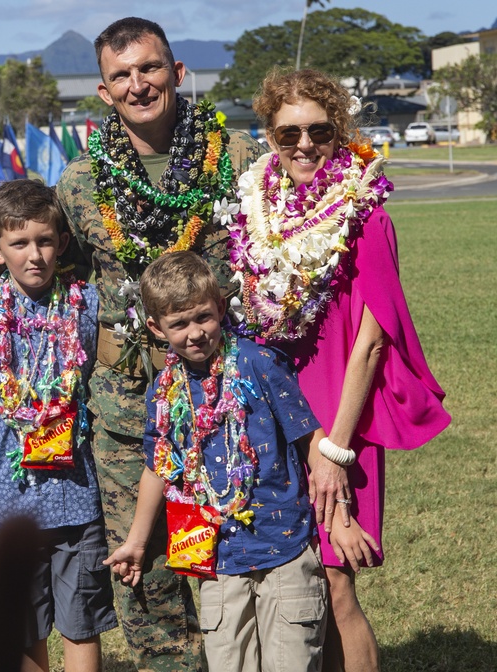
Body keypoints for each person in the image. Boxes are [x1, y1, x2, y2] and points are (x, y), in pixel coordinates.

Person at [55, 17, 265, 670]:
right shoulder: (79, 184)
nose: (138, 83)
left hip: (223, 405)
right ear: (103, 91)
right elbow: (58, 281)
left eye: (149, 68)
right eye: (122, 74)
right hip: (128, 414)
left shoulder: (237, 161)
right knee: (145, 578)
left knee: (231, 562)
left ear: (177, 73)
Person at [229, 68, 450, 672]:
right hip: (278, 412)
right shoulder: (257, 210)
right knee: (297, 582)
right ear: (270, 136)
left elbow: (374, 345)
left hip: (338, 413)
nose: (304, 144)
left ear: (341, 131)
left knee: (336, 585)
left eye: (319, 131)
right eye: (288, 132)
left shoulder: (367, 215)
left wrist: (336, 448)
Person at [106, 252, 328, 672]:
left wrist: (338, 516)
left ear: (221, 309)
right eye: (179, 324)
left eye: (203, 318)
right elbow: (159, 466)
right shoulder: (164, 392)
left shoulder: (258, 363)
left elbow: (308, 437)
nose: (195, 333)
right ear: (155, 328)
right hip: (219, 559)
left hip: (285, 546)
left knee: (293, 662)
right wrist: (136, 542)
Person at [0, 180, 117, 672]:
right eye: (19, 243)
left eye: (45, 241)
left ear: (62, 243)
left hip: (77, 497)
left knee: (81, 623)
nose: (35, 255)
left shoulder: (86, 306)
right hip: (13, 504)